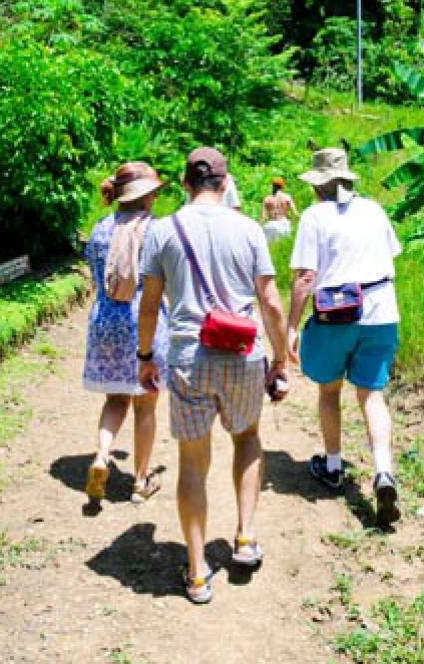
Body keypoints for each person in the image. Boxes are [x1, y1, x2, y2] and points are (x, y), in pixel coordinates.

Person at [137, 147, 288, 604]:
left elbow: (149, 305)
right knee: (247, 438)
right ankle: (244, 538)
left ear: (185, 184)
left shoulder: (163, 230)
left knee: (192, 460)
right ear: (225, 184)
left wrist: (146, 356)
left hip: (188, 358)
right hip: (242, 356)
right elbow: (272, 303)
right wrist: (280, 360)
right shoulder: (247, 228)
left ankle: (198, 571)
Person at [287, 148, 401, 527]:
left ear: (318, 184)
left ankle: (333, 466)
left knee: (330, 390)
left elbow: (304, 278)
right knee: (372, 393)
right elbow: (390, 257)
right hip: (382, 310)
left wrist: (290, 326)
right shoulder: (375, 211)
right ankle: (383, 471)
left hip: (337, 313)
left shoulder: (314, 216)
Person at [83, 162, 169, 505]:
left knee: (115, 398)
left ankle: (102, 456)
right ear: (146, 195)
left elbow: (93, 275)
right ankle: (140, 481)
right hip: (142, 321)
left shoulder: (100, 228)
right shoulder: (156, 230)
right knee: (145, 405)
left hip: (105, 320)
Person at [260, 177, 297, 243]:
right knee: (282, 248)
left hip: (271, 225)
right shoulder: (287, 197)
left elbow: (262, 218)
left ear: (272, 186)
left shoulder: (267, 199)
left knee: (270, 249)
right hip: (283, 224)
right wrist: (290, 222)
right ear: (282, 187)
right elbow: (295, 213)